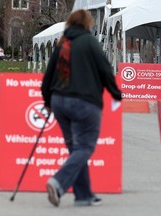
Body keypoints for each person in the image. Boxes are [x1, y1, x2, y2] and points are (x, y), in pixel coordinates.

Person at [41, 9, 122, 207]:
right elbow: (105, 69)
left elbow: (48, 77)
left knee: (76, 150)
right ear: (87, 23)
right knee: (84, 147)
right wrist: (116, 93)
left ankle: (83, 195)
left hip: (60, 102)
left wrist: (48, 102)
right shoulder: (89, 41)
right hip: (84, 102)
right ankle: (58, 182)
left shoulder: (62, 43)